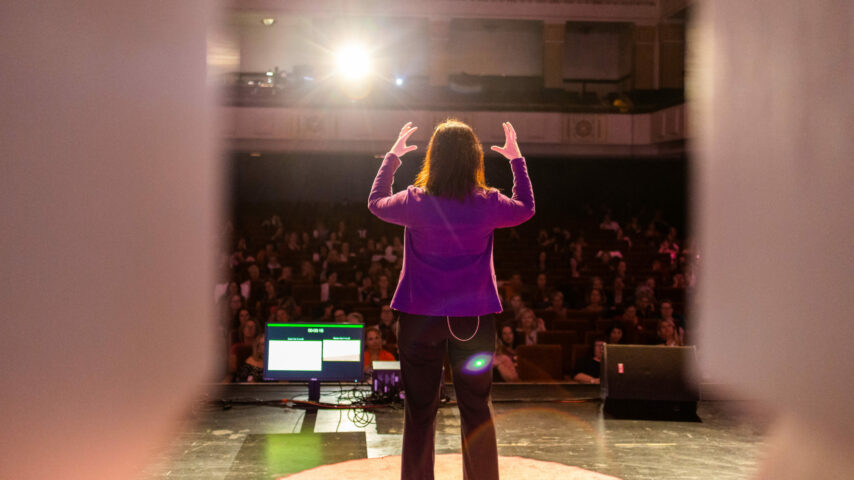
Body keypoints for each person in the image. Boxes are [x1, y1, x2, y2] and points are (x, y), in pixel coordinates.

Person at [368, 120, 534, 480]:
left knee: (420, 410)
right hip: (471, 322)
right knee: (476, 408)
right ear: (475, 158)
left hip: (418, 320)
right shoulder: (487, 201)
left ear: (434, 157)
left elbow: (376, 203)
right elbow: (525, 207)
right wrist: (516, 159)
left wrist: (392, 159)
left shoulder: (415, 200)